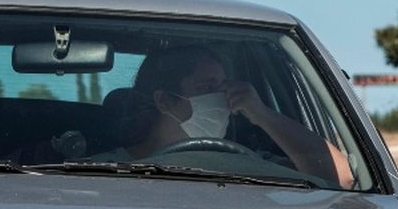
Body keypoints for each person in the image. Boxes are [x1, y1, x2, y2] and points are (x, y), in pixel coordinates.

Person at [101, 44, 355, 187]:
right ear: (165, 100)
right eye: (208, 88)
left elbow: (341, 179)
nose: (223, 98)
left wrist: (262, 114)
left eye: (225, 87)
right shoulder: (103, 170)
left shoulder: (254, 165)